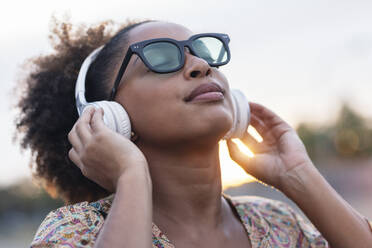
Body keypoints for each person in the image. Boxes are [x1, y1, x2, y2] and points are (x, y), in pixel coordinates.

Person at [15, 19, 372, 248]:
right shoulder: (74, 233)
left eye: (201, 51)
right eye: (161, 57)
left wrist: (299, 174)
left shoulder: (278, 223)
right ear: (109, 116)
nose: (201, 65)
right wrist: (131, 176)